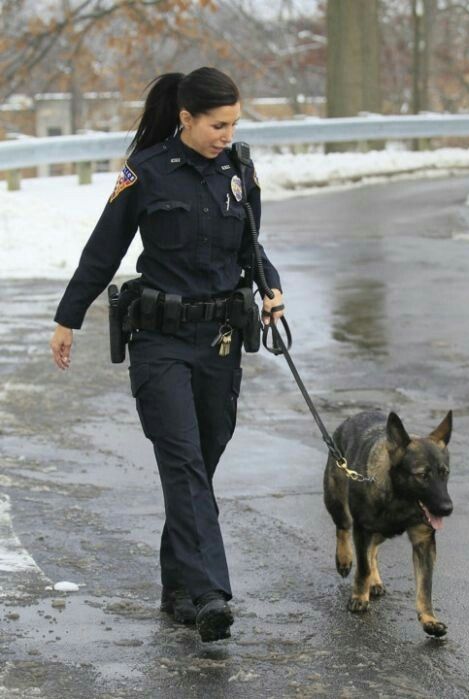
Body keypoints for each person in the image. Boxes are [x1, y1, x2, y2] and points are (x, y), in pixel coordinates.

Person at [49, 67, 284, 643]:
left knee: (200, 463)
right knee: (181, 462)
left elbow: (250, 246)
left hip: (220, 342)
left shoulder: (239, 170)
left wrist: (270, 286)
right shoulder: (147, 173)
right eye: (217, 124)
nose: (227, 134)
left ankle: (177, 583)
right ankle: (209, 593)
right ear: (186, 118)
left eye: (233, 123)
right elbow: (103, 249)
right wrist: (67, 317)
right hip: (159, 342)